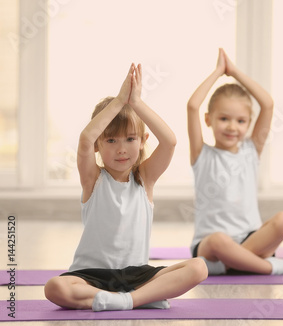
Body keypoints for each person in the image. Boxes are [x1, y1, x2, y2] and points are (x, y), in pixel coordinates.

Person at [44, 63, 207, 311]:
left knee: (199, 267)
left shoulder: (145, 178)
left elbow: (170, 141)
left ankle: (125, 300)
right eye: (111, 140)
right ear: (99, 145)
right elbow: (85, 140)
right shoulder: (93, 179)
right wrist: (120, 100)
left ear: (142, 141)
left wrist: (136, 102)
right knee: (54, 287)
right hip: (91, 276)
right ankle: (138, 299)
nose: (122, 148)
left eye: (130, 139)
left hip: (137, 276)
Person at [187, 48, 283, 275]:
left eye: (241, 120)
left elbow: (268, 104)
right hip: (211, 246)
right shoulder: (201, 155)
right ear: (208, 119)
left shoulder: (251, 150)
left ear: (249, 123)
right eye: (224, 119)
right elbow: (192, 106)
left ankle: (232, 264)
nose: (232, 127)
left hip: (250, 237)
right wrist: (217, 72)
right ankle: (269, 267)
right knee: (218, 241)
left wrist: (234, 72)